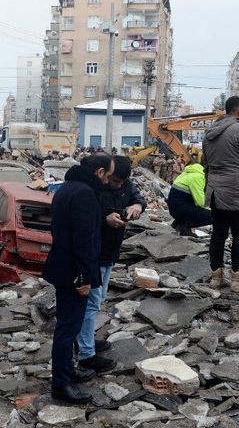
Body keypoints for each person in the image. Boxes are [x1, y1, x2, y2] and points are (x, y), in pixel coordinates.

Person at [43, 154, 114, 404]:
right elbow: (84, 241)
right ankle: (61, 385)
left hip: (62, 267)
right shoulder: (85, 194)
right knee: (67, 329)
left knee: (68, 326)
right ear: (99, 173)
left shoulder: (67, 188)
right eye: (107, 176)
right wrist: (84, 277)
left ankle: (68, 370)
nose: (107, 181)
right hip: (74, 272)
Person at [76, 155, 145, 374]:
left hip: (110, 252)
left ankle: (85, 341)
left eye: (120, 182)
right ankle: (86, 353)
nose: (115, 185)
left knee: (98, 300)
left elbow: (139, 198)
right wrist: (106, 219)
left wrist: (136, 206)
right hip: (94, 253)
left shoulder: (125, 185)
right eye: (113, 180)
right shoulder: (94, 189)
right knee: (92, 302)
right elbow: (86, 219)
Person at [203, 96, 239, 292]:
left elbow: (206, 161)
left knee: (218, 234)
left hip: (214, 190)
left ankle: (216, 278)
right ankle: (237, 280)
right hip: (235, 189)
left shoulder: (209, 132)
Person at [168, 160, 212, 235]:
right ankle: (184, 226)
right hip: (180, 210)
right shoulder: (198, 177)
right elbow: (200, 202)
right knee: (215, 215)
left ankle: (178, 223)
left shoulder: (188, 173)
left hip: (175, 208)